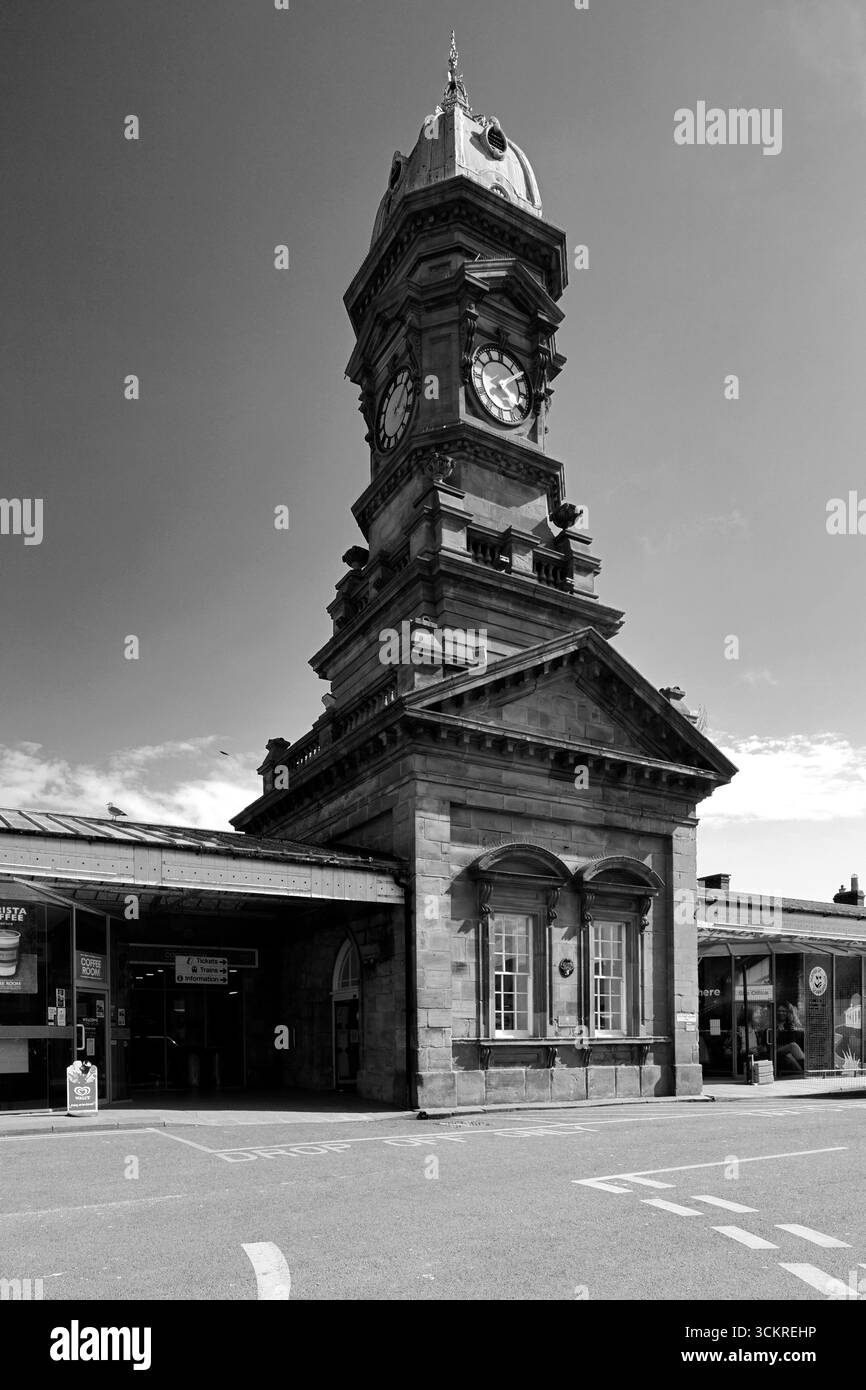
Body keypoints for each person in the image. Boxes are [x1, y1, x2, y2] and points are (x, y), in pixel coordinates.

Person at [776, 1001, 805, 1074]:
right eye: (779, 1011)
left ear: (788, 1013)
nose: (781, 1013)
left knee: (790, 1056)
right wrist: (778, 1031)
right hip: (776, 1049)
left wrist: (795, 1030)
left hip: (788, 1050)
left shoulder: (790, 1024)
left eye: (783, 1011)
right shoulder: (774, 1023)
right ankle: (807, 1066)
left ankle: (803, 1072)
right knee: (793, 1046)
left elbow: (798, 1035)